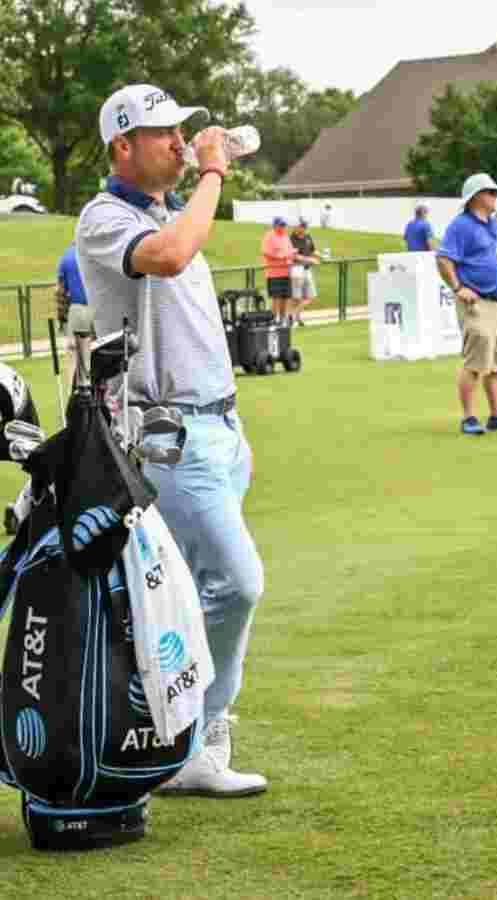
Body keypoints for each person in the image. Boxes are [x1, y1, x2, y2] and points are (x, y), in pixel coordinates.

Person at [76, 83, 267, 796]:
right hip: (168, 435)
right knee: (238, 583)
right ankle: (201, 737)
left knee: (186, 596)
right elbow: (171, 256)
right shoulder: (105, 217)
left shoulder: (166, 209)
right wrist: (215, 172)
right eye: (164, 134)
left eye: (184, 132)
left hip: (216, 427)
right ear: (123, 145)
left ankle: (169, 738)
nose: (181, 143)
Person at [436, 173, 497, 435]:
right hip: (480, 301)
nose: (495, 196)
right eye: (490, 192)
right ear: (475, 196)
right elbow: (444, 259)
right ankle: (468, 417)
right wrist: (458, 287)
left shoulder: (495, 226)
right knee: (476, 362)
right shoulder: (461, 226)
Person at [56, 243, 93, 386]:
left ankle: (75, 393)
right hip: (97, 309)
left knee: (73, 355)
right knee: (95, 354)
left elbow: (61, 293)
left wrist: (62, 318)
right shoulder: (94, 252)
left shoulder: (66, 257)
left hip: (77, 310)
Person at [260, 217, 296, 325]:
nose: (283, 227)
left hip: (286, 271)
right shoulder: (269, 236)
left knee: (286, 297)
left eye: (284, 225)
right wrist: (280, 256)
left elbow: (290, 250)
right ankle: (273, 320)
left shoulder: (285, 236)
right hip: (274, 272)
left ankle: (282, 320)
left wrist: (291, 254)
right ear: (275, 225)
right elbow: (266, 252)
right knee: (276, 297)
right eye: (281, 225)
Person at [288, 218, 318, 326]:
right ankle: (295, 317)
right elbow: (295, 256)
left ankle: (294, 315)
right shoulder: (291, 239)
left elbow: (312, 250)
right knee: (296, 297)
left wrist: (321, 256)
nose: (304, 228)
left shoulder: (308, 237)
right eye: (302, 226)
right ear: (297, 227)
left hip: (307, 270)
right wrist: (310, 260)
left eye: (305, 226)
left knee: (311, 296)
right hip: (296, 269)